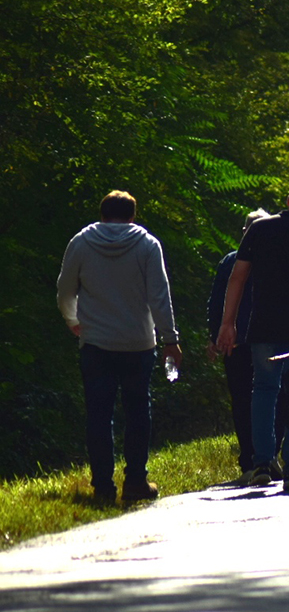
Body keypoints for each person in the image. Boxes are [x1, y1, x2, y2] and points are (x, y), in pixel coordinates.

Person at [56, 190, 182, 503]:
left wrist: (73, 321)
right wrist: (170, 339)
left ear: (103, 214)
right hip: (138, 343)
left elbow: (64, 289)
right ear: (132, 216)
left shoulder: (81, 243)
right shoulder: (147, 245)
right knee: (138, 412)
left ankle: (102, 487)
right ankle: (136, 482)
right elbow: (159, 297)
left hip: (96, 342)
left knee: (99, 414)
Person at [215, 180, 289, 492]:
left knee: (264, 391)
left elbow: (237, 277)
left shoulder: (259, 230)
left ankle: (262, 462)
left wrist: (228, 323)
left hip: (263, 325)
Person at [205, 208, 271, 485]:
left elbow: (216, 302)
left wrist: (215, 334)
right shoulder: (272, 263)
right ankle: (260, 457)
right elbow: (216, 301)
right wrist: (214, 336)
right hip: (259, 340)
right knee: (266, 397)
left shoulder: (231, 261)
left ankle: (252, 460)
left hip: (240, 341)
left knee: (244, 400)